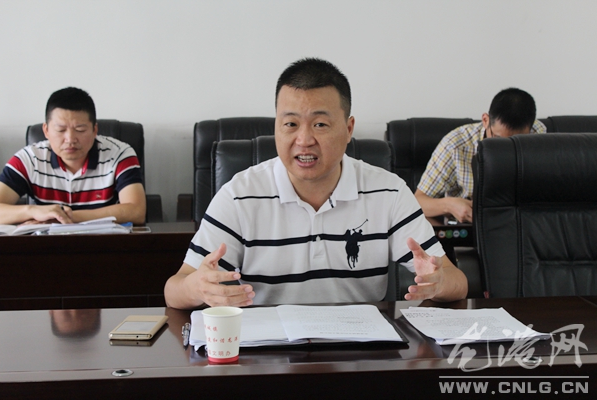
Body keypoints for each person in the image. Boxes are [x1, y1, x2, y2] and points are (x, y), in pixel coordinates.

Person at [164, 58, 467, 309]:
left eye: (320, 124)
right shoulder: (239, 196)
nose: (304, 140)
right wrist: (197, 287)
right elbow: (174, 289)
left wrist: (439, 281)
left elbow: (458, 282)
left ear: (348, 129)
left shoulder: (388, 191)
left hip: (360, 351)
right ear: (276, 127)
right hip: (267, 353)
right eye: (290, 124)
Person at [0, 87, 146, 225]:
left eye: (80, 129)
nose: (70, 139)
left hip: (101, 242)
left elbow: (136, 211)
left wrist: (62, 217)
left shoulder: (120, 154)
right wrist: (32, 211)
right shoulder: (29, 159)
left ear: (95, 130)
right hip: (47, 244)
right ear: (46, 130)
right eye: (60, 130)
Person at [415, 88, 546, 223]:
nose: (505, 150)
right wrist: (449, 205)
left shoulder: (538, 135)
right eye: (498, 139)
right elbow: (418, 201)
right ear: (485, 120)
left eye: (515, 142)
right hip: (470, 226)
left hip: (520, 223)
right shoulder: (455, 145)